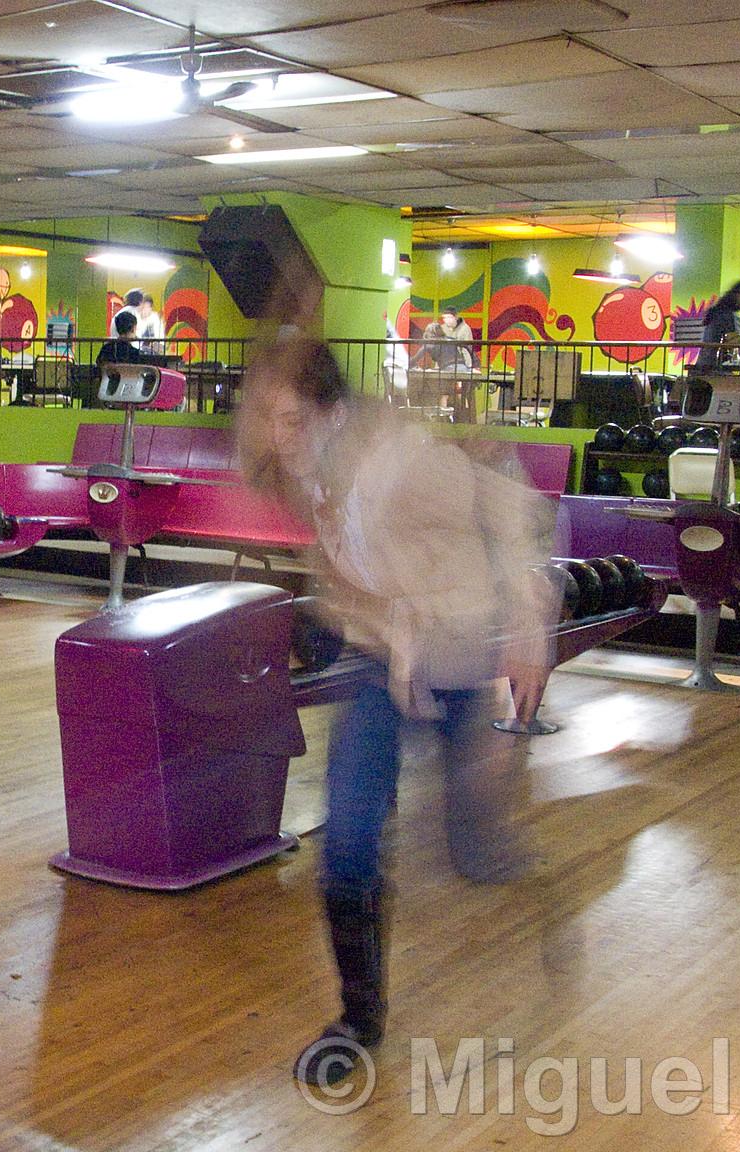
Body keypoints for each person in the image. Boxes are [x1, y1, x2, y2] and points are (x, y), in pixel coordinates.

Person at [238, 314, 552, 1091]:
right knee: (347, 843)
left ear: (332, 413)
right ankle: (360, 1018)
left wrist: (526, 624)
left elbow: (507, 507)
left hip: (456, 649)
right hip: (384, 661)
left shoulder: (401, 466)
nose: (276, 436)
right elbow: (351, 564)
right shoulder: (308, 471)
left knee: (473, 846)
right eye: (266, 419)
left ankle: (483, 835)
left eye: (290, 419)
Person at [691, 279, 740, 373]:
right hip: (718, 371)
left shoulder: (718, 312)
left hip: (704, 368)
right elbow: (733, 351)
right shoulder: (728, 317)